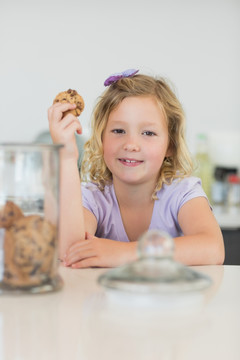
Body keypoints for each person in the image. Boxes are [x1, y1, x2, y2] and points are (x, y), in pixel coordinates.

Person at [48, 69, 225, 268]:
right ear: (101, 138)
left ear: (171, 145)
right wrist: (66, 156)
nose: (131, 144)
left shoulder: (182, 193)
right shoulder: (94, 198)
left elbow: (213, 248)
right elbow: (70, 252)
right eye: (118, 131)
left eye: (148, 133)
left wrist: (124, 253)